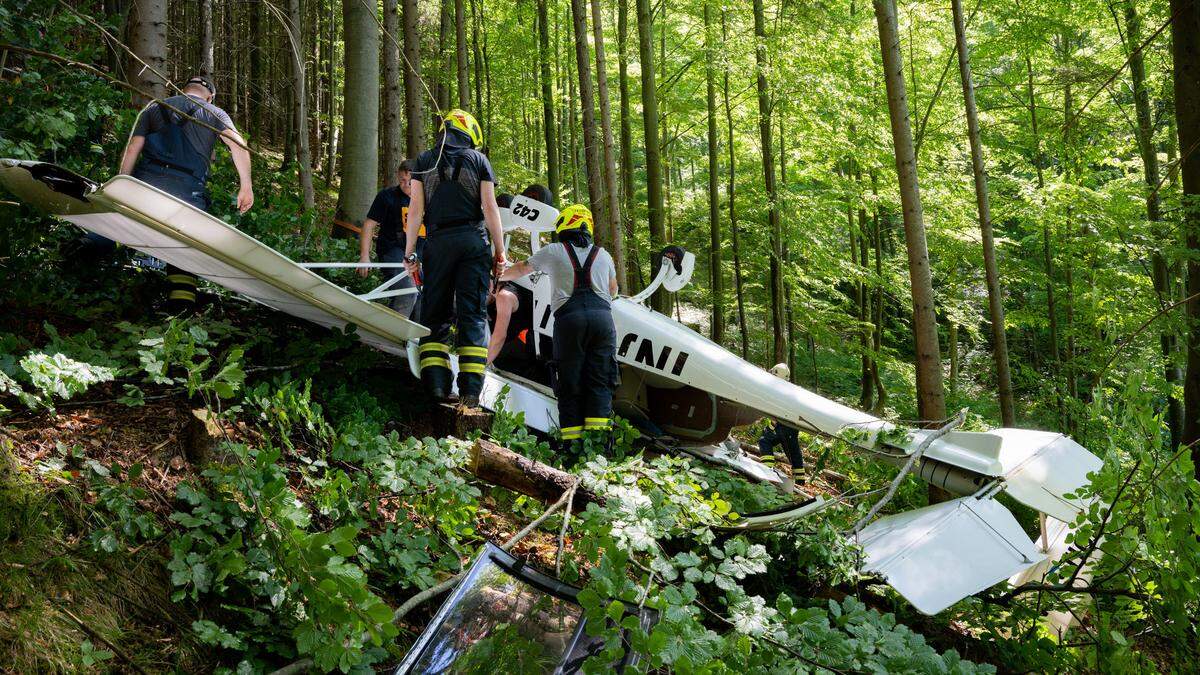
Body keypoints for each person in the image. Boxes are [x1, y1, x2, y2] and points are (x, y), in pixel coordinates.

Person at [106, 75, 254, 311]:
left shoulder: (155, 106)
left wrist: (122, 183)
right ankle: (182, 304)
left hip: (146, 183)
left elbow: (134, 147)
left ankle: (90, 256)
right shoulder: (215, 113)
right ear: (211, 96)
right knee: (186, 242)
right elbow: (238, 145)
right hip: (187, 190)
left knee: (122, 226)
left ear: (184, 90)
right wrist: (246, 186)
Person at [404, 109, 506, 405]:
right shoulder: (479, 160)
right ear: (471, 133)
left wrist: (410, 252)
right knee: (472, 315)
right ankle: (471, 392)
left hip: (437, 243)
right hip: (473, 243)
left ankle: (436, 386)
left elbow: (415, 211)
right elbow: (490, 209)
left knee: (434, 314)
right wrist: (500, 251)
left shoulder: (424, 161)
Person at [499, 205, 618, 450]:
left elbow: (522, 269)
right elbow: (613, 289)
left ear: (565, 226)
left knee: (569, 382)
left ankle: (572, 448)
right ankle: (598, 450)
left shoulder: (554, 250)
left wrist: (498, 276)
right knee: (600, 381)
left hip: (570, 320)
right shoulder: (603, 255)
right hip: (602, 321)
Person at [487, 183, 555, 365]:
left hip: (525, 293)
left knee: (504, 299)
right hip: (500, 280)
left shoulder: (542, 238)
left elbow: (527, 268)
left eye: (536, 200)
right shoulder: (506, 221)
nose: (531, 203)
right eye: (529, 198)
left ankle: (484, 362)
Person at [358, 160, 421, 317]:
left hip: (419, 254)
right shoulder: (387, 196)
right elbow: (368, 225)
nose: (406, 185)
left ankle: (415, 338)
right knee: (408, 290)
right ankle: (395, 335)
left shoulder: (426, 198)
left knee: (424, 298)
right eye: (402, 181)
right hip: (393, 251)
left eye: (410, 182)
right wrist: (365, 256)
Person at [758, 363, 804, 478]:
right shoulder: (790, 390)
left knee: (766, 441)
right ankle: (799, 481)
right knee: (793, 453)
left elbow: (778, 412)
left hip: (785, 426)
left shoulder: (780, 390)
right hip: (789, 427)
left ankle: (768, 471)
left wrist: (772, 425)